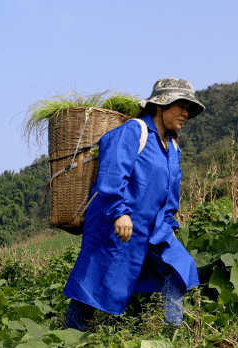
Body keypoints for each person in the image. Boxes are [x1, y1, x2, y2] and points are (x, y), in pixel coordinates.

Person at [62, 78, 202, 331]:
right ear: (160, 105)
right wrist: (119, 213)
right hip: (116, 225)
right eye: (181, 105)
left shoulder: (172, 146)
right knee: (95, 284)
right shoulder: (134, 131)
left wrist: (168, 222)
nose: (186, 113)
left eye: (189, 109)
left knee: (180, 267)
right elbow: (112, 174)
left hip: (151, 229)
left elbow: (171, 190)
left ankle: (172, 332)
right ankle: (67, 343)